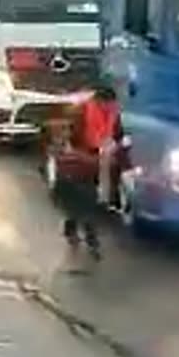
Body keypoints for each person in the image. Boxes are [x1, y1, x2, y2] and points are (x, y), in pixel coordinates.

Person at [57, 70, 124, 258]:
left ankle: (71, 226)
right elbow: (71, 136)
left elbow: (118, 134)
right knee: (88, 199)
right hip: (82, 160)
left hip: (101, 161)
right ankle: (91, 237)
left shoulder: (113, 113)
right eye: (107, 103)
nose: (110, 107)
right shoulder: (81, 111)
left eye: (111, 104)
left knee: (87, 199)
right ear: (99, 100)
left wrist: (116, 147)